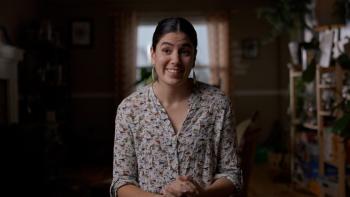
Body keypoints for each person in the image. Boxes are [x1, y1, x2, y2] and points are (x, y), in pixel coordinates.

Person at [110, 17, 242, 197]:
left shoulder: (218, 104)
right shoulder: (130, 109)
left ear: (194, 56)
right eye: (166, 50)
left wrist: (203, 194)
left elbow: (232, 174)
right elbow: (121, 182)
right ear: (153, 54)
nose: (176, 60)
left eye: (184, 51)